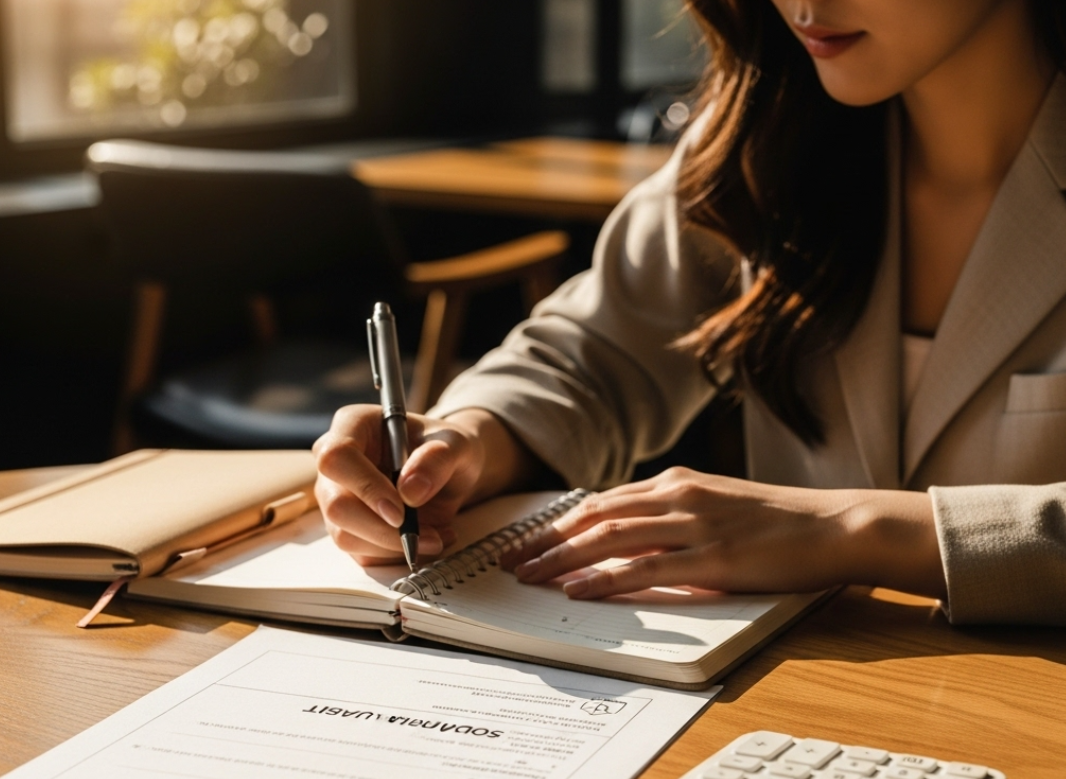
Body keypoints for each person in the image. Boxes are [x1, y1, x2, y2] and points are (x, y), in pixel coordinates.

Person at [315, 0, 1066, 625]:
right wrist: (465, 441)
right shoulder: (766, 140)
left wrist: (854, 531)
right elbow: (596, 353)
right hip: (800, 716)